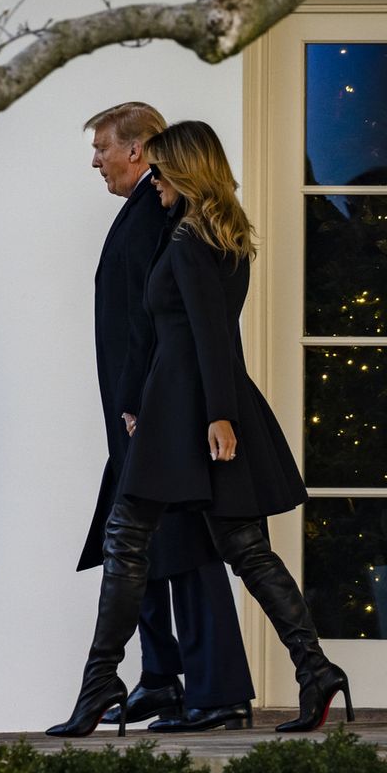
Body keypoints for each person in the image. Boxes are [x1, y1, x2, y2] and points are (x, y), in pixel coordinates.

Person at [48, 119, 352, 738]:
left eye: (159, 170)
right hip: (190, 409)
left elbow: (214, 334)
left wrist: (218, 416)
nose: (152, 181)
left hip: (187, 414)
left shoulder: (188, 240)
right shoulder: (218, 234)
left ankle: (102, 681)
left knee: (126, 541)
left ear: (182, 170)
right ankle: (315, 669)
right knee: (244, 550)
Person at [77, 102, 255, 734]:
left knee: (187, 541)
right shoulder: (146, 212)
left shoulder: (164, 216)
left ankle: (218, 689)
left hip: (156, 409)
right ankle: (162, 679)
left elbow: (182, 324)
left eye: (102, 147)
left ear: (139, 150)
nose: (94, 159)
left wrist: (157, 406)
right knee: (141, 541)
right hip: (138, 408)